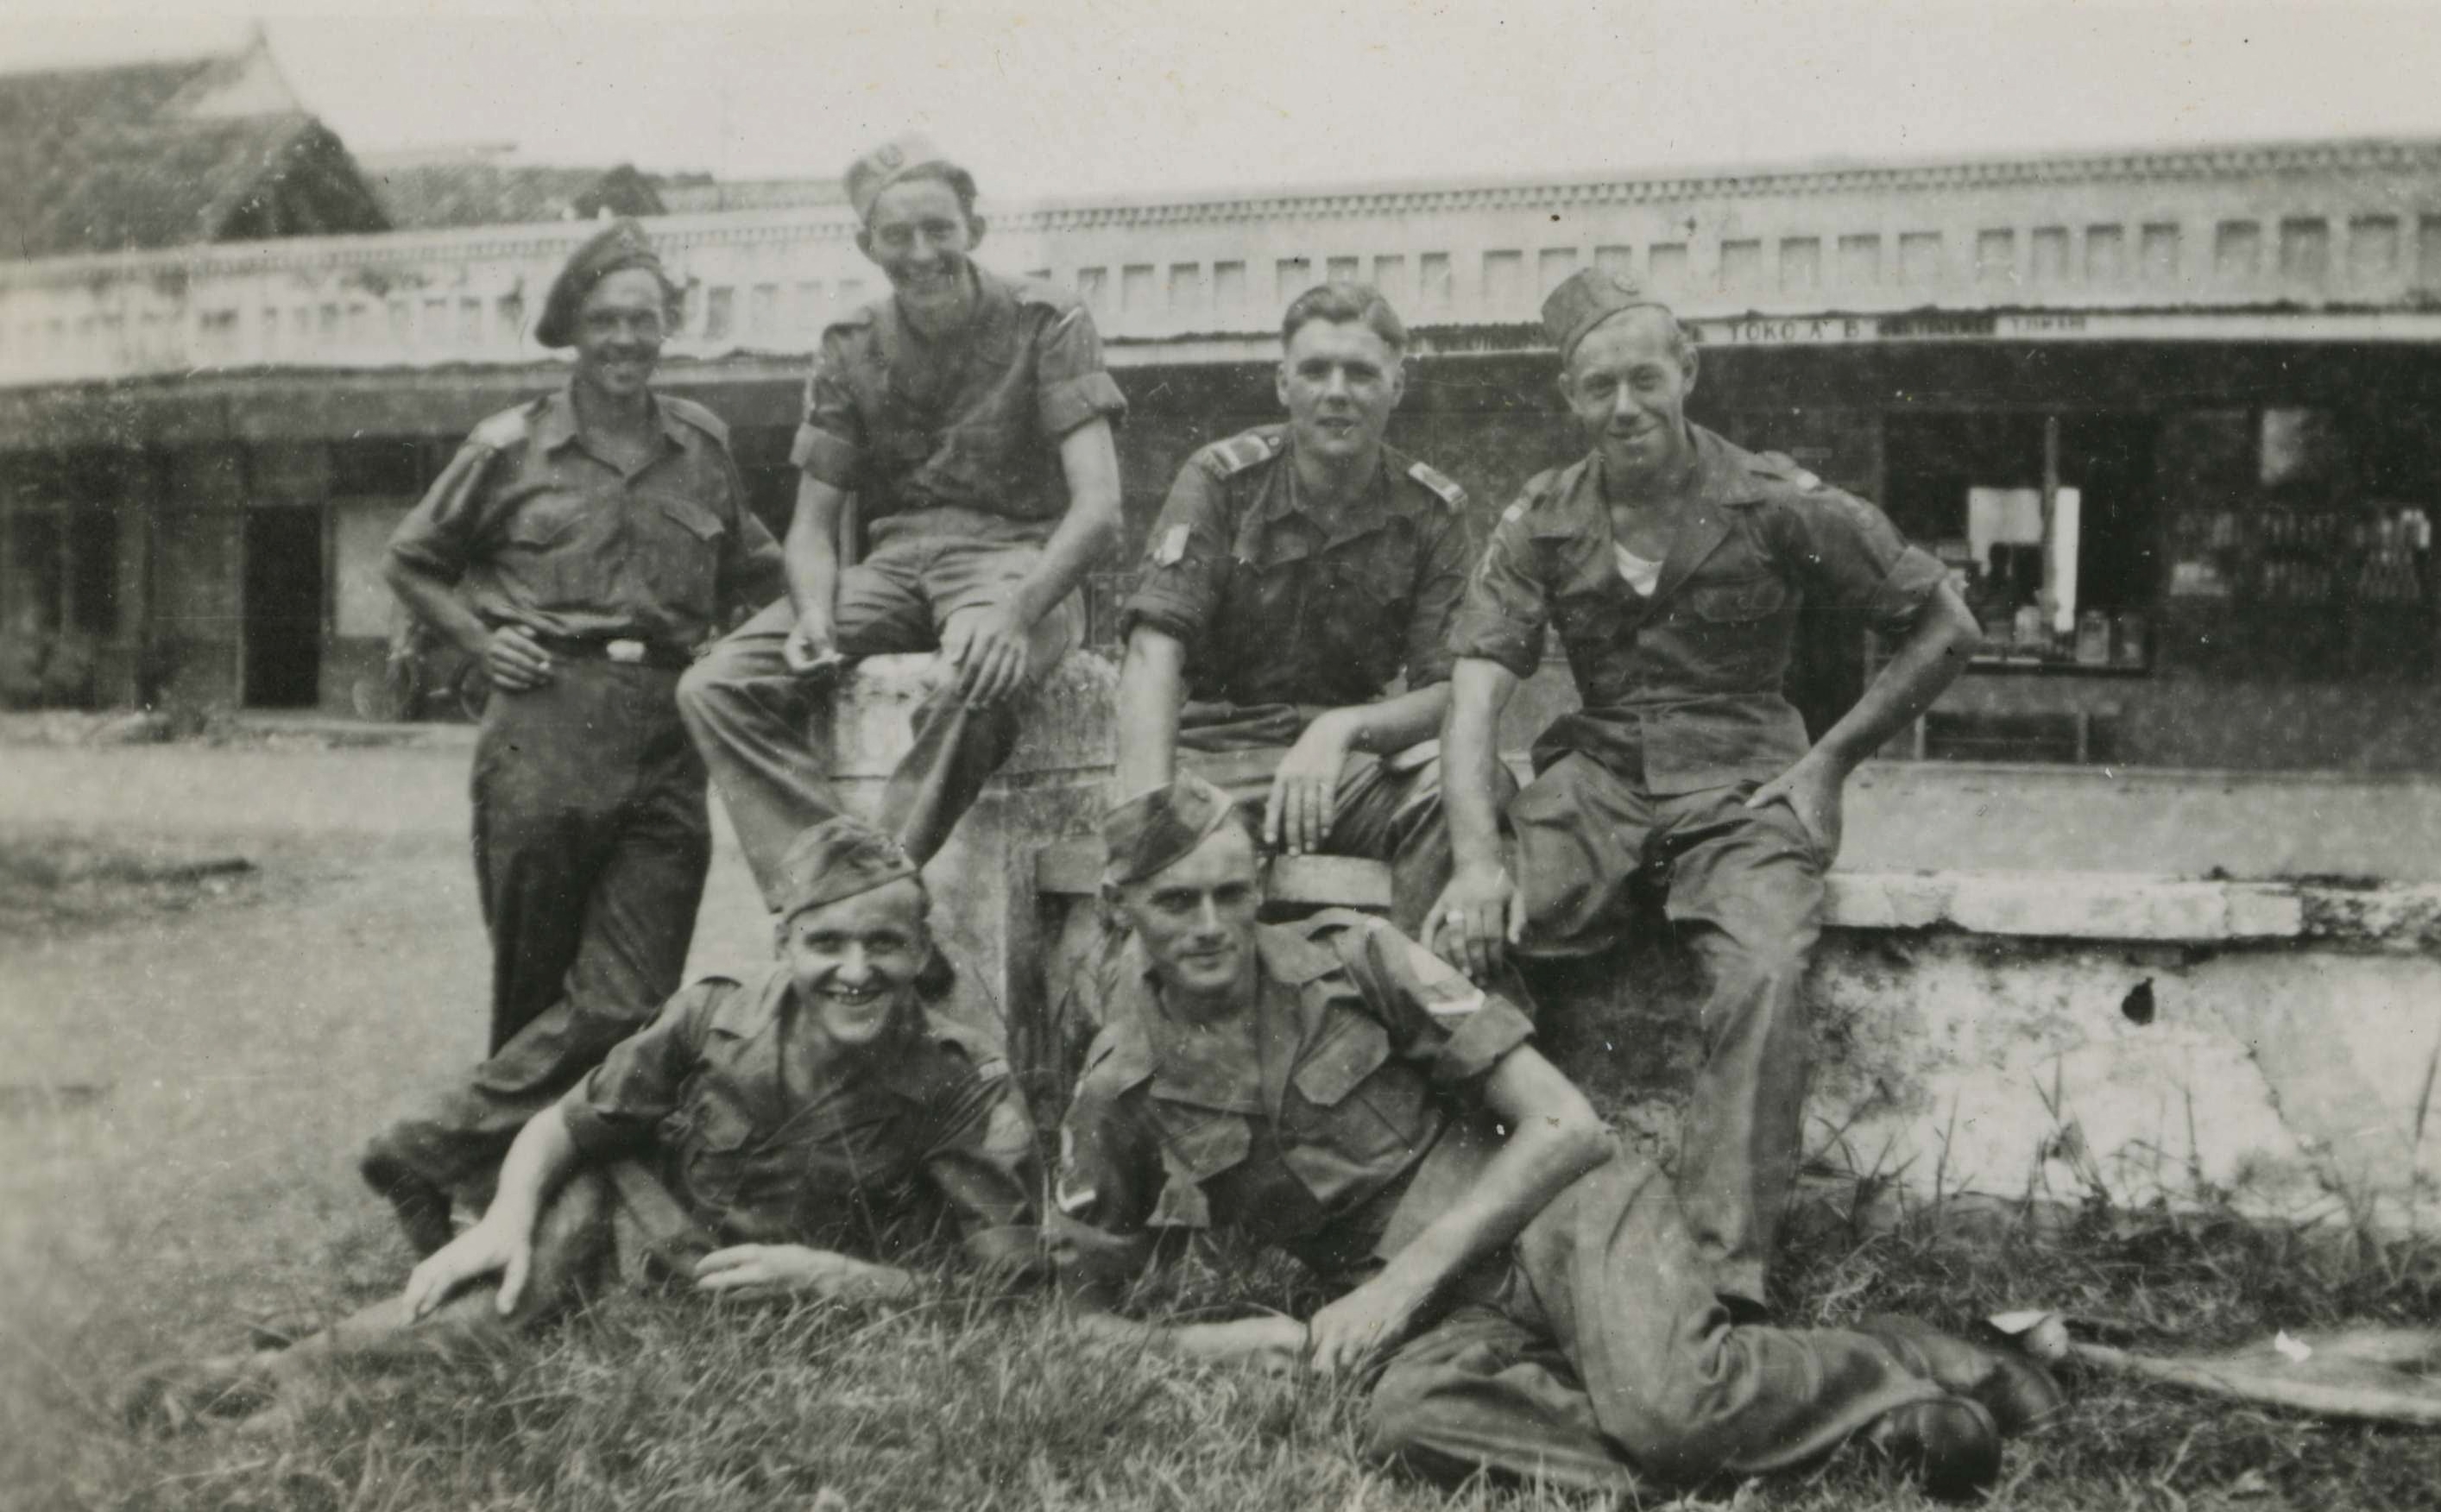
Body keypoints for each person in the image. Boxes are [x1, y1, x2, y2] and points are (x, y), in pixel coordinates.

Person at [1048, 778, 2056, 1501]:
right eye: (1176, 900)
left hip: (1561, 1212)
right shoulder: (1120, 1084)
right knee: (1409, 1419)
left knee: (1667, 1406)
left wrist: (1394, 1287)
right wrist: (1218, 1341)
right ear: (1116, 907)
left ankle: (1901, 1362)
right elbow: (1075, 1319)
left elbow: (1568, 1123)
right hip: (1447, 1314)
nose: (1213, 923)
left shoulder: (1356, 958)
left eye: (1232, 891)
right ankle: (1756, 1443)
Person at [1425, 269, 1982, 1314]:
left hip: (1744, 786)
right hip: (1597, 785)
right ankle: (1502, 1231)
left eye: (1646, 377)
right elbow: (1474, 698)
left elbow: (1946, 625)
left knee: (1764, 973)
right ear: (1570, 397)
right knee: (1452, 949)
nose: (1625, 406)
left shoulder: (1772, 499)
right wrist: (1476, 862)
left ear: (1689, 372)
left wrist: (1826, 763)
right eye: (1599, 388)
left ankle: (1718, 1280)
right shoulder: (1541, 519)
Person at [133, 820, 1043, 1425]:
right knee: (490, 1308)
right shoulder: (711, 1014)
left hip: (760, 1297)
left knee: (490, 1350)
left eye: (885, 943)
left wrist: (839, 1278)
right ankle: (265, 1385)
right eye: (826, 943)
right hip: (633, 1229)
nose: (856, 970)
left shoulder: (964, 1084)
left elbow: (1002, 1292)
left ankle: (276, 1380)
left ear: (922, 950)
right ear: (784, 946)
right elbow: (566, 1125)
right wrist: (503, 1218)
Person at [362, 220, 783, 1256]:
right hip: (545, 721)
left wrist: (761, 648)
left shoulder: (705, 445)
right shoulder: (509, 444)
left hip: (667, 733)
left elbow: (762, 574)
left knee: (633, 997)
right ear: (573, 333)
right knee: (534, 987)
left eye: (645, 317)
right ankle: (520, 1211)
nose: (627, 338)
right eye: (605, 320)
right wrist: (475, 643)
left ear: (669, 327)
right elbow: (412, 559)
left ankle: (424, 1145)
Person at [679, 135, 1127, 901]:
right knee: (715, 686)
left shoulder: (1047, 318)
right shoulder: (850, 345)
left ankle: (867, 890)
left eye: (939, 230)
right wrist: (815, 615)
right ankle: (827, 875)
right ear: (867, 245)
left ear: (973, 231)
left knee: (982, 672)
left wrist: (1018, 615)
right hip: (892, 570)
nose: (922, 253)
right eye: (897, 236)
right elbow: (814, 526)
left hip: (1015, 562)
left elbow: (1101, 509)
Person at [1113, 281, 1487, 935]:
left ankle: (1428, 998)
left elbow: (1448, 694)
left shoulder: (1432, 512)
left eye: (1362, 373)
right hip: (1215, 760)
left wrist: (1339, 729)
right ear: (1283, 385)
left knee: (1451, 794)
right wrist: (1151, 819)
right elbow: (1153, 649)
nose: (1337, 391)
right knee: (1169, 895)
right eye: (1315, 371)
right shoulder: (1222, 482)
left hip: (1341, 771)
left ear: (1397, 388)